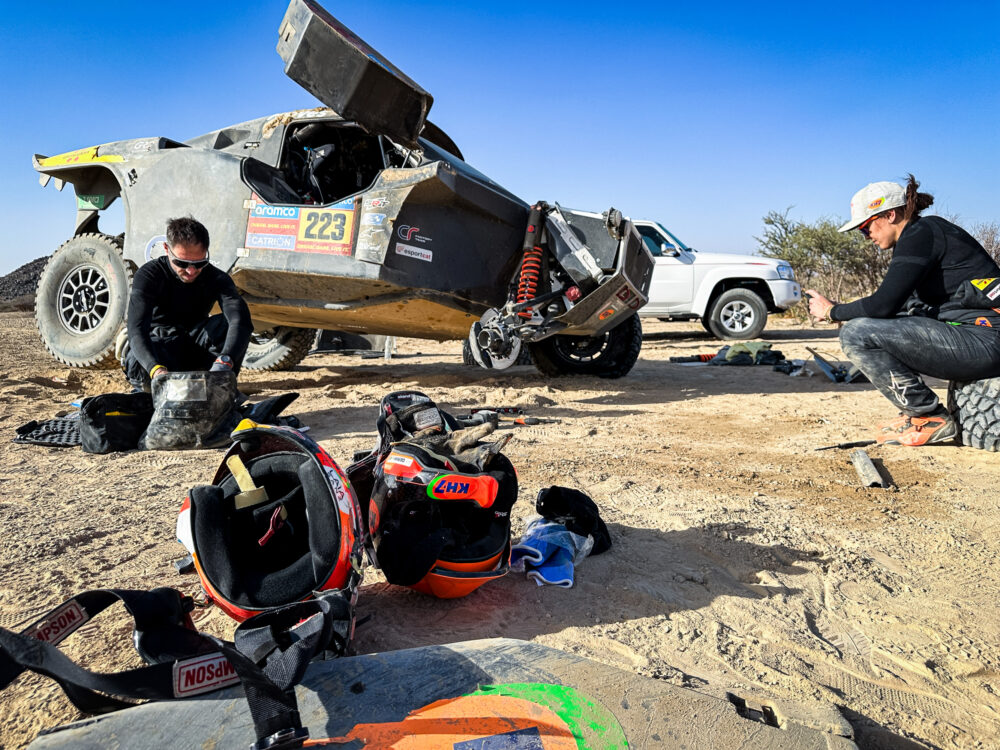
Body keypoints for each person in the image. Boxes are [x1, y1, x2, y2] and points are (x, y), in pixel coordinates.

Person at [806, 176, 1000, 446]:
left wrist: (832, 312)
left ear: (889, 214)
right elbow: (896, 308)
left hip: (986, 339)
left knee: (856, 333)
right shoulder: (923, 236)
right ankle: (920, 413)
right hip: (980, 338)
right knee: (872, 325)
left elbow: (882, 304)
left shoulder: (921, 234)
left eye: (866, 228)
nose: (867, 237)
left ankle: (928, 416)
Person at [122, 216, 252, 391]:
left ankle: (218, 386)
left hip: (195, 346)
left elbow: (240, 321)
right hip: (160, 345)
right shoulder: (149, 276)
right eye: (182, 263)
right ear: (167, 249)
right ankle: (153, 387)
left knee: (227, 324)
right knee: (137, 359)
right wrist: (155, 369)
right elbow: (136, 329)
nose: (191, 271)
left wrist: (225, 361)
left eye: (199, 263)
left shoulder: (217, 277)